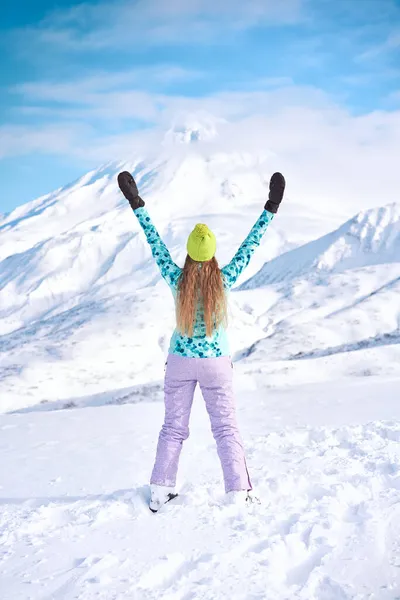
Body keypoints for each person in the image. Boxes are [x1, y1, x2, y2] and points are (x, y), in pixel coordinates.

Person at [117, 170, 286, 512]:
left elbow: (154, 243)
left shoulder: (177, 279)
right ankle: (238, 491)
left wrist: (137, 204)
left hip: (179, 362)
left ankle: (160, 490)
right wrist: (271, 207)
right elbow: (249, 246)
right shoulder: (224, 280)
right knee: (226, 428)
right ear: (211, 256)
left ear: (190, 255)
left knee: (173, 428)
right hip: (216, 364)